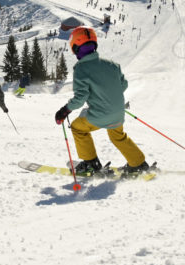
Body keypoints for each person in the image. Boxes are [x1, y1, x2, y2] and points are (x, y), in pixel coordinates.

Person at [53, 27, 149, 176]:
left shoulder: (81, 68)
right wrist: (108, 96)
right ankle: (138, 163)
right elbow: (123, 85)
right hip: (118, 113)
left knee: (78, 128)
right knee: (118, 136)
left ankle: (91, 163)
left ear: (75, 46)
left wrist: (64, 111)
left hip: (101, 115)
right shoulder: (112, 65)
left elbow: (79, 99)